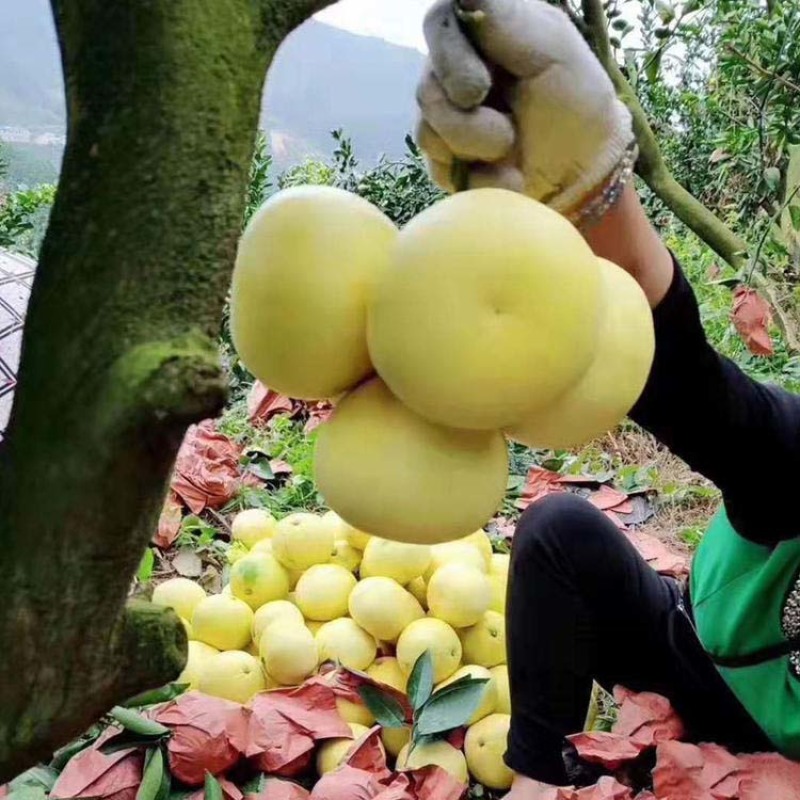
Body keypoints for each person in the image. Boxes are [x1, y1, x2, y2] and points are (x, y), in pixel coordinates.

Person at [415, 0, 800, 796]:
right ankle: (537, 775)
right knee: (560, 531)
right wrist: (586, 187)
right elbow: (697, 396)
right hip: (691, 647)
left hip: (771, 749)